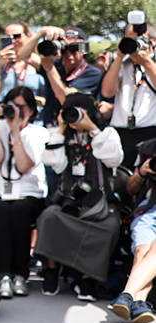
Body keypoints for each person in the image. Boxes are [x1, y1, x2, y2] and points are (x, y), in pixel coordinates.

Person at [34, 94, 124, 299]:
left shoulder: (107, 133)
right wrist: (60, 130)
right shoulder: (62, 137)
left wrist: (92, 128)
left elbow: (114, 158)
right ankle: (51, 271)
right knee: (49, 216)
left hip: (100, 204)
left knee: (109, 227)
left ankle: (87, 279)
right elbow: (51, 162)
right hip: (70, 202)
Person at [0, 88, 48, 299]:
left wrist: (16, 132)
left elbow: (23, 166)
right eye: (12, 105)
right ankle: (2, 275)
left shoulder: (39, 132)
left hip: (28, 192)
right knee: (1, 210)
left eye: (22, 107)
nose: (16, 111)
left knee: (19, 210)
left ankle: (20, 274)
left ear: (31, 110)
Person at [16, 25, 103, 126]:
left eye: (74, 48)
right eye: (65, 49)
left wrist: (50, 69)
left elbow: (67, 100)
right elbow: (23, 55)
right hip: (50, 125)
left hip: (76, 129)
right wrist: (41, 34)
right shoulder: (54, 65)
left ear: (84, 49)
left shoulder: (92, 73)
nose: (69, 54)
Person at [101, 12, 156, 168]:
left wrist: (147, 63)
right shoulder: (122, 63)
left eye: (138, 40)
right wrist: (119, 57)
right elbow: (107, 92)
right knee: (120, 181)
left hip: (150, 132)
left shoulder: (153, 63)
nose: (134, 44)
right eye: (130, 40)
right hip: (121, 132)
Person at [110, 148, 156, 323]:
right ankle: (139, 303)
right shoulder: (148, 147)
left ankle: (127, 295)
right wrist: (143, 172)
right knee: (141, 250)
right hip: (148, 210)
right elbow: (130, 189)